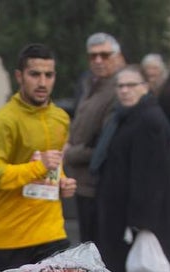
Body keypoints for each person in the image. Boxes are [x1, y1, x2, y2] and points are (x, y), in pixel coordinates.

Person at [93, 65, 170, 272]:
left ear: (146, 87)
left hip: (134, 215)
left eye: (132, 85)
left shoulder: (149, 120)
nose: (125, 91)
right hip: (119, 209)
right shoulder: (125, 117)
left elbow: (150, 174)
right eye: (120, 86)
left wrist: (141, 221)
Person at [0, 43, 77, 272]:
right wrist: (38, 168)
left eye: (48, 75)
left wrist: (62, 181)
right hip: (8, 240)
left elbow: (53, 163)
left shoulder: (61, 118)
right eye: (35, 74)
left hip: (52, 234)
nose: (42, 82)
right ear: (19, 76)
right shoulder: (5, 119)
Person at [65, 32, 124, 245]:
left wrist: (70, 153)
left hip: (102, 184)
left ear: (118, 56)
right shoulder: (89, 83)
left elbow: (106, 144)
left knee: (103, 251)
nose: (98, 60)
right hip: (82, 183)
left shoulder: (120, 89)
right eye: (93, 56)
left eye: (105, 55)